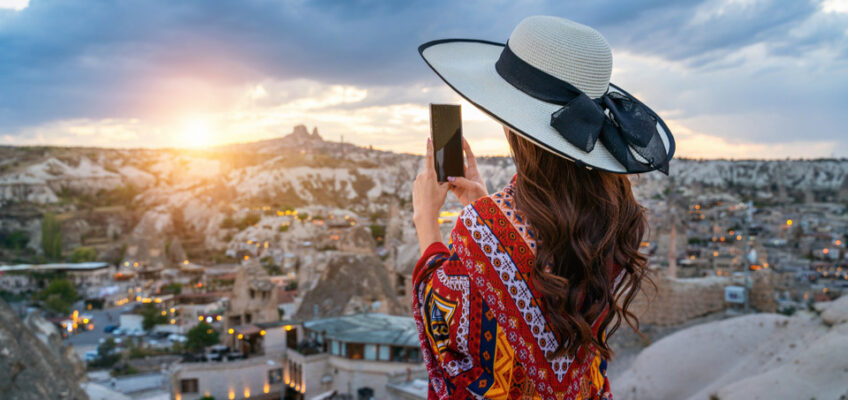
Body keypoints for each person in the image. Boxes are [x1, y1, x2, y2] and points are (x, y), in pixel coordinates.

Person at [411, 16, 675, 400]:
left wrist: (426, 226)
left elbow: (445, 332)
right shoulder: (620, 215)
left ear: (515, 124)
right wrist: (485, 208)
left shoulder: (485, 227)